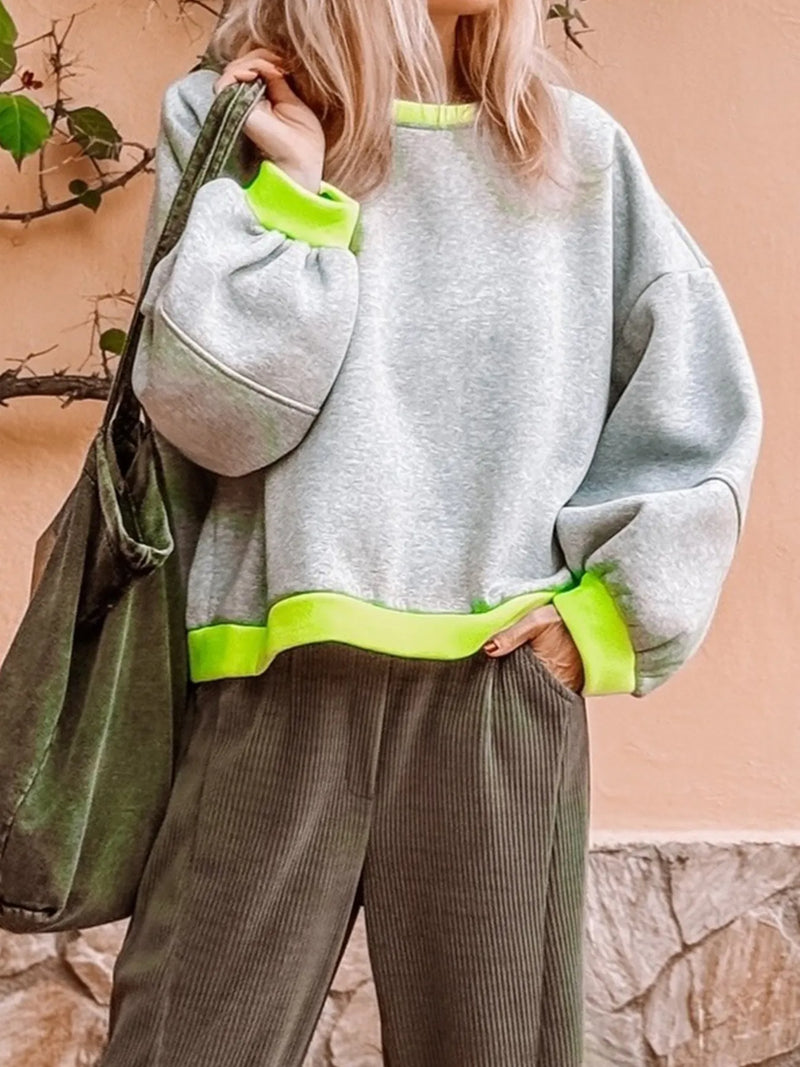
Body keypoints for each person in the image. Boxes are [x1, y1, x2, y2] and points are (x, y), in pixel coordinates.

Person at [99, 2, 763, 1065]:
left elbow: (697, 399)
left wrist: (605, 613)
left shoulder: (574, 151)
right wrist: (296, 192)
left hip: (495, 692)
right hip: (271, 682)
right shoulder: (234, 119)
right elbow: (216, 418)